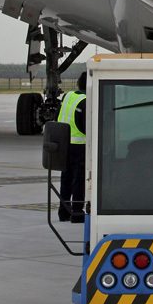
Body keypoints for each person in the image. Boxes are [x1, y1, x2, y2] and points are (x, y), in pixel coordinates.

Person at [57, 72, 87, 223]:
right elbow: (86, 126)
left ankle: (63, 212)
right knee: (79, 180)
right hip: (79, 146)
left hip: (64, 144)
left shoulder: (67, 96)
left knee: (66, 179)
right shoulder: (85, 101)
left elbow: (57, 117)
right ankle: (76, 212)